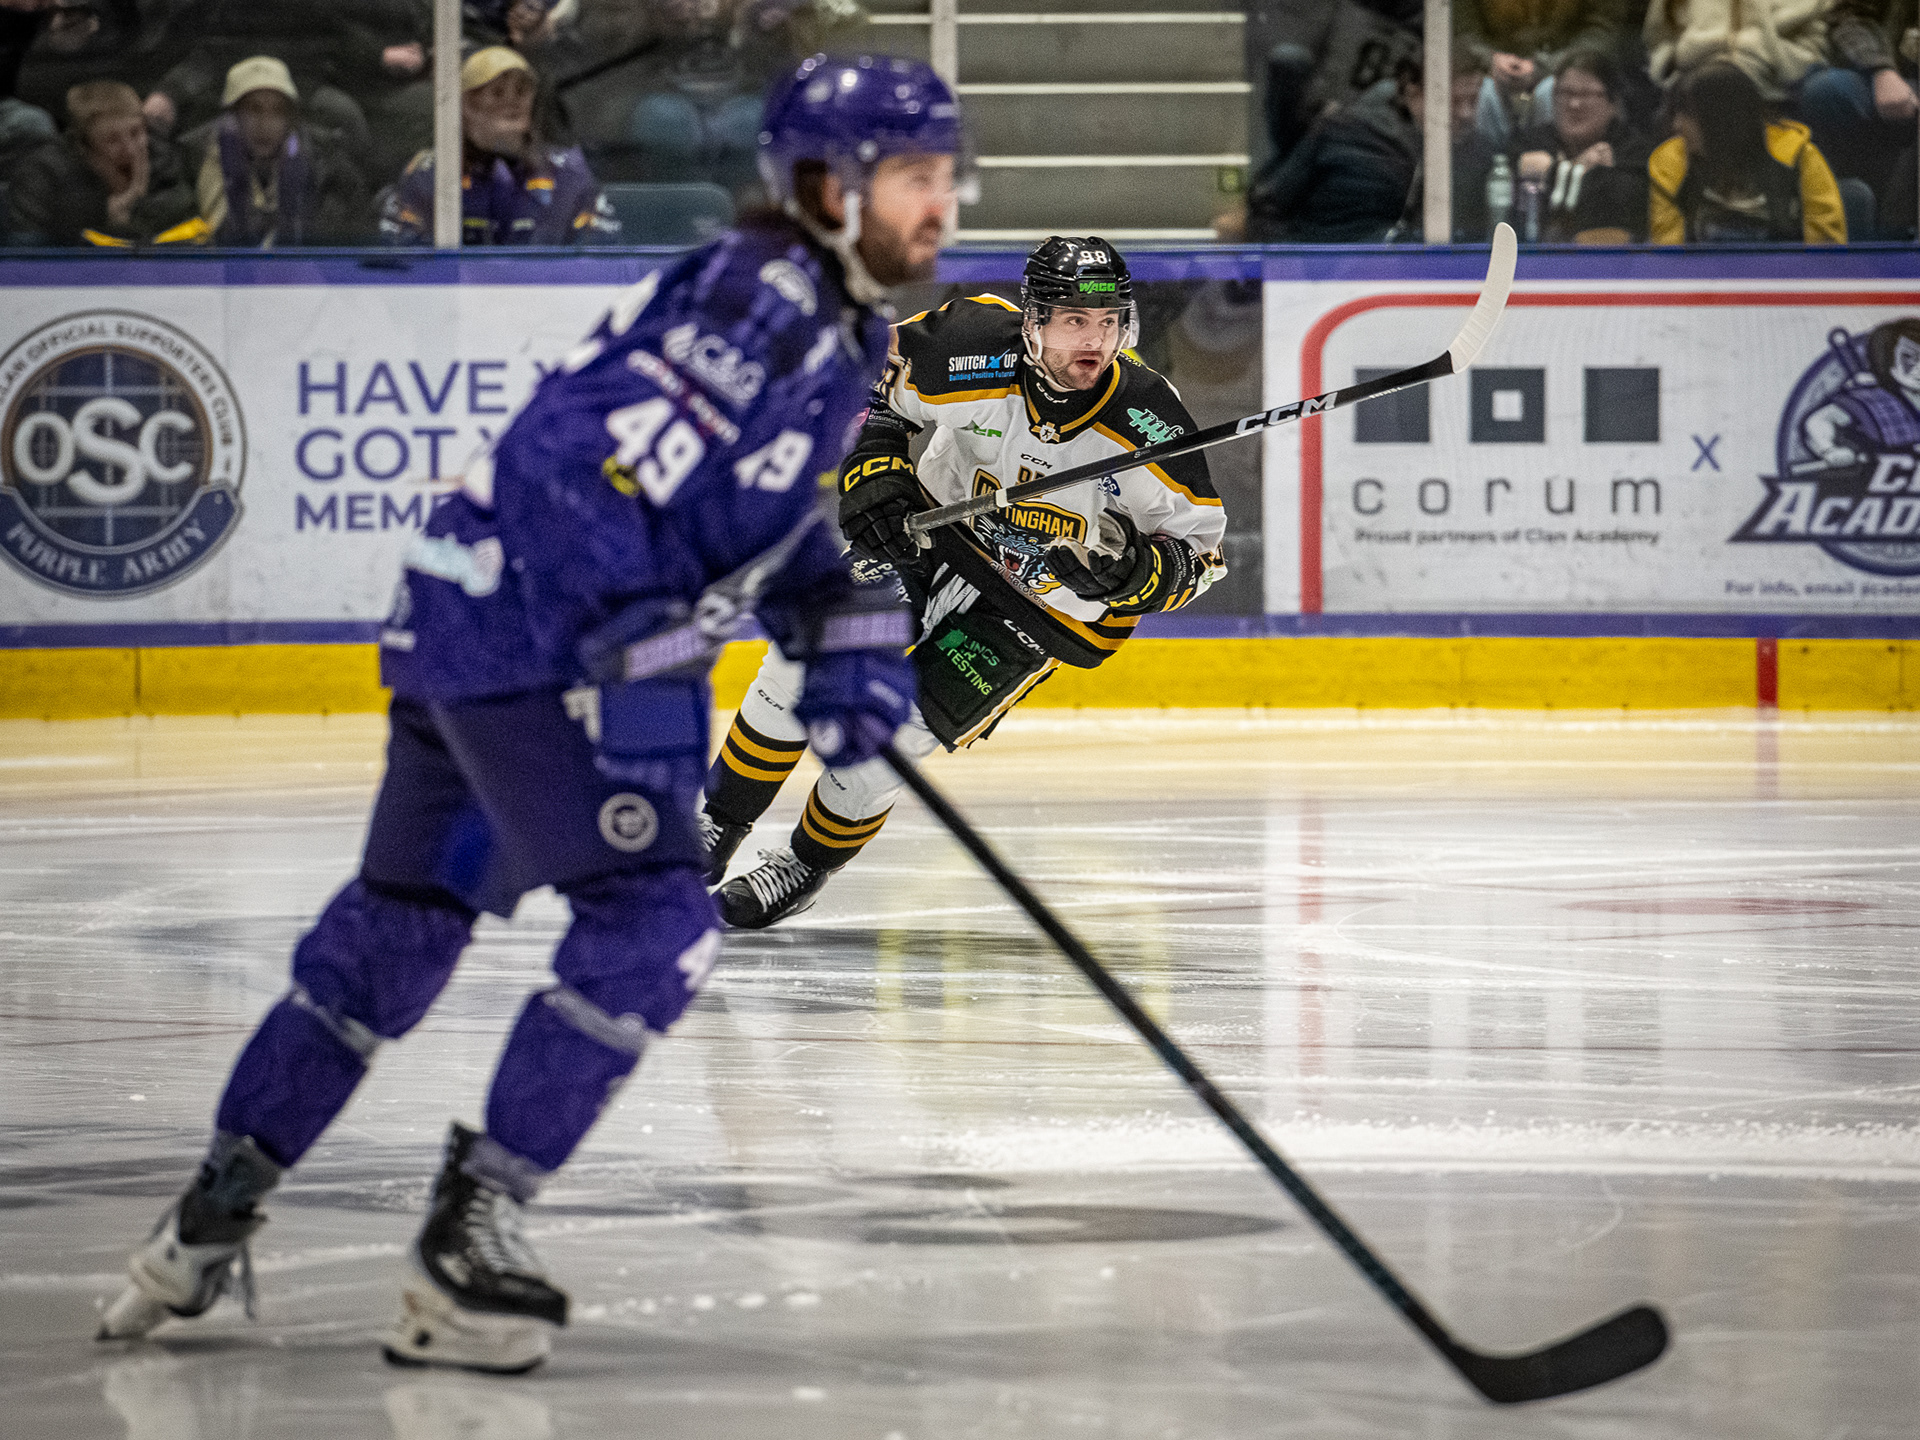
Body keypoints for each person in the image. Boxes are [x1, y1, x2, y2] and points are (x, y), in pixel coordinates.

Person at [94, 52, 962, 1375]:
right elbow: (570, 461)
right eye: (911, 177)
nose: (940, 204)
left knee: (401, 930)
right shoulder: (764, 298)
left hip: (463, 614)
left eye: (947, 175)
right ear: (825, 185)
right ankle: (468, 1244)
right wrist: (630, 632)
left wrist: (835, 615)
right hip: (534, 643)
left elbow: (740, 508)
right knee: (656, 924)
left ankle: (210, 1214)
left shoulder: (825, 321)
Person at [701, 236, 1228, 930]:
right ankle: (719, 823)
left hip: (1038, 612)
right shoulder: (969, 343)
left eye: (1107, 323)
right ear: (1034, 321)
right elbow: (866, 379)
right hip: (929, 538)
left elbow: (1201, 559)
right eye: (1074, 320)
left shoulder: (1148, 420)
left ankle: (803, 865)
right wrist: (875, 460)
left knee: (885, 750)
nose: (1093, 342)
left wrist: (1137, 574)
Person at [1234, 42, 1495, 243]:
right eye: (1453, 101)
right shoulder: (1349, 136)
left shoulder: (1473, 151)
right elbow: (1272, 204)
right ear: (1412, 92)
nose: (1466, 114)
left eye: (1474, 101)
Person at [379, 45, 617, 245]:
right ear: (467, 105)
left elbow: (601, 255)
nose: (512, 101)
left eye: (521, 91)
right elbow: (400, 259)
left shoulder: (568, 171)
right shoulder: (430, 172)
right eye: (497, 92)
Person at [1649, 61, 1847, 242]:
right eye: (1676, 114)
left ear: (1725, 119)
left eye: (1689, 115)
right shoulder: (1670, 165)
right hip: (1700, 271)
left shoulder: (1797, 158)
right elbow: (1668, 257)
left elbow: (1825, 253)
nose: (1677, 125)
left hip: (1788, 270)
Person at [196, 57, 369, 246]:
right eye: (254, 110)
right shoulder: (191, 166)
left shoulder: (330, 173)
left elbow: (343, 246)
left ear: (291, 118)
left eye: (278, 111)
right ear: (232, 117)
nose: (265, 125)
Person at [7, 78, 200, 245]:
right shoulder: (44, 175)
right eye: (112, 140)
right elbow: (29, 255)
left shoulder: (167, 163)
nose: (130, 148)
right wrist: (103, 218)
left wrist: (135, 205)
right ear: (84, 146)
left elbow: (187, 235)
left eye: (136, 132)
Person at [1511, 47, 1650, 242]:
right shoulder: (1530, 141)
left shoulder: (1634, 151)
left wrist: (1556, 172)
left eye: (1586, 94)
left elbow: (1624, 204)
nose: (1574, 104)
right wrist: (1583, 168)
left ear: (1613, 103)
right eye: (1565, 93)